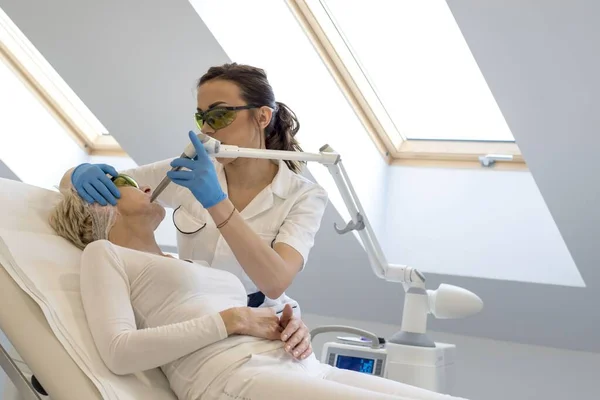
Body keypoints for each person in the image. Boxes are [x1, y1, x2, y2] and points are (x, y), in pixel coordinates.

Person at [48, 173, 466, 400]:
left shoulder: (184, 262)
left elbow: (265, 305)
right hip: (233, 379)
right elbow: (120, 352)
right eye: (122, 184)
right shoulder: (104, 255)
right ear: (100, 205)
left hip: (300, 366)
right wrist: (234, 320)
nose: (142, 184)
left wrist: (292, 327)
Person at [62, 63, 328, 318]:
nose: (207, 130)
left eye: (219, 115)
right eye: (201, 117)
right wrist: (76, 174)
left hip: (261, 315)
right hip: (191, 308)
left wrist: (216, 201)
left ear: (262, 116)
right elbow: (102, 191)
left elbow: (275, 282)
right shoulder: (188, 170)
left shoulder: (304, 197)